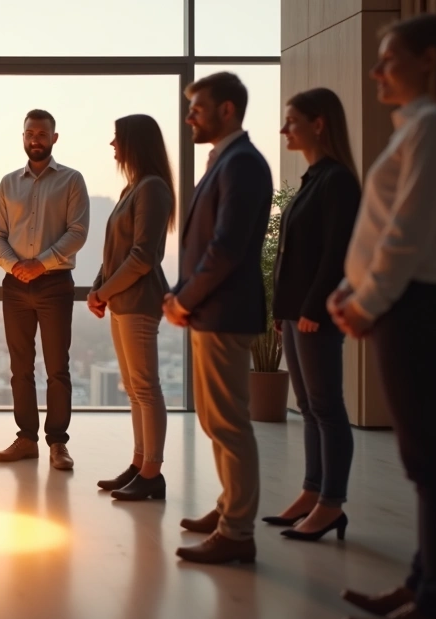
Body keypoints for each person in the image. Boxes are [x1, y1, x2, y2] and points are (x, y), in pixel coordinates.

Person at [331, 14, 436, 619]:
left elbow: (408, 232)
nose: (376, 71)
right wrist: (352, 289)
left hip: (416, 302)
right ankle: (421, 586)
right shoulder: (419, 125)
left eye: (388, 59)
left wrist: (368, 300)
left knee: (429, 462)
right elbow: (382, 227)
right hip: (402, 301)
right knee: (422, 461)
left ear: (430, 59)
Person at [165, 72, 272, 565]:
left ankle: (237, 531)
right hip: (212, 310)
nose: (189, 117)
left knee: (229, 425)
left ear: (227, 110)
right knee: (215, 422)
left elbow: (226, 248)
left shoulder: (243, 163)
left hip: (224, 312)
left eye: (197, 108)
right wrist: (184, 296)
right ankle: (231, 507)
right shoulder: (226, 161)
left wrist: (184, 300)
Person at [264, 88, 360, 542]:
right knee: (308, 407)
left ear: (318, 123)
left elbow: (337, 253)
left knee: (327, 408)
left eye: (291, 121)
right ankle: (311, 492)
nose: (285, 130)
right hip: (295, 313)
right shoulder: (314, 177)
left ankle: (331, 503)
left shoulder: (338, 180)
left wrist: (310, 308)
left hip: (313, 314)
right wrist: (283, 311)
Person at [0, 109, 89, 471]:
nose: (35, 139)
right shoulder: (8, 183)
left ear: (54, 138)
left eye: (42, 133)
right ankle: (26, 439)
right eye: (30, 133)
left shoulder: (72, 181)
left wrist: (40, 264)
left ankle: (58, 443)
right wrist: (14, 265)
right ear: (23, 137)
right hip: (14, 285)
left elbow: (77, 232)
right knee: (20, 366)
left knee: (57, 367)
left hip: (55, 285)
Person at [88, 114, 174, 501]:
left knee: (145, 387)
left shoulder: (152, 188)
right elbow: (115, 252)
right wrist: (98, 288)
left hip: (139, 301)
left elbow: (141, 257)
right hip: (122, 300)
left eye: (117, 139)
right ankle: (139, 465)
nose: (112, 146)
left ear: (135, 143)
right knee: (134, 389)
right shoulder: (132, 188)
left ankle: (152, 473)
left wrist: (104, 292)